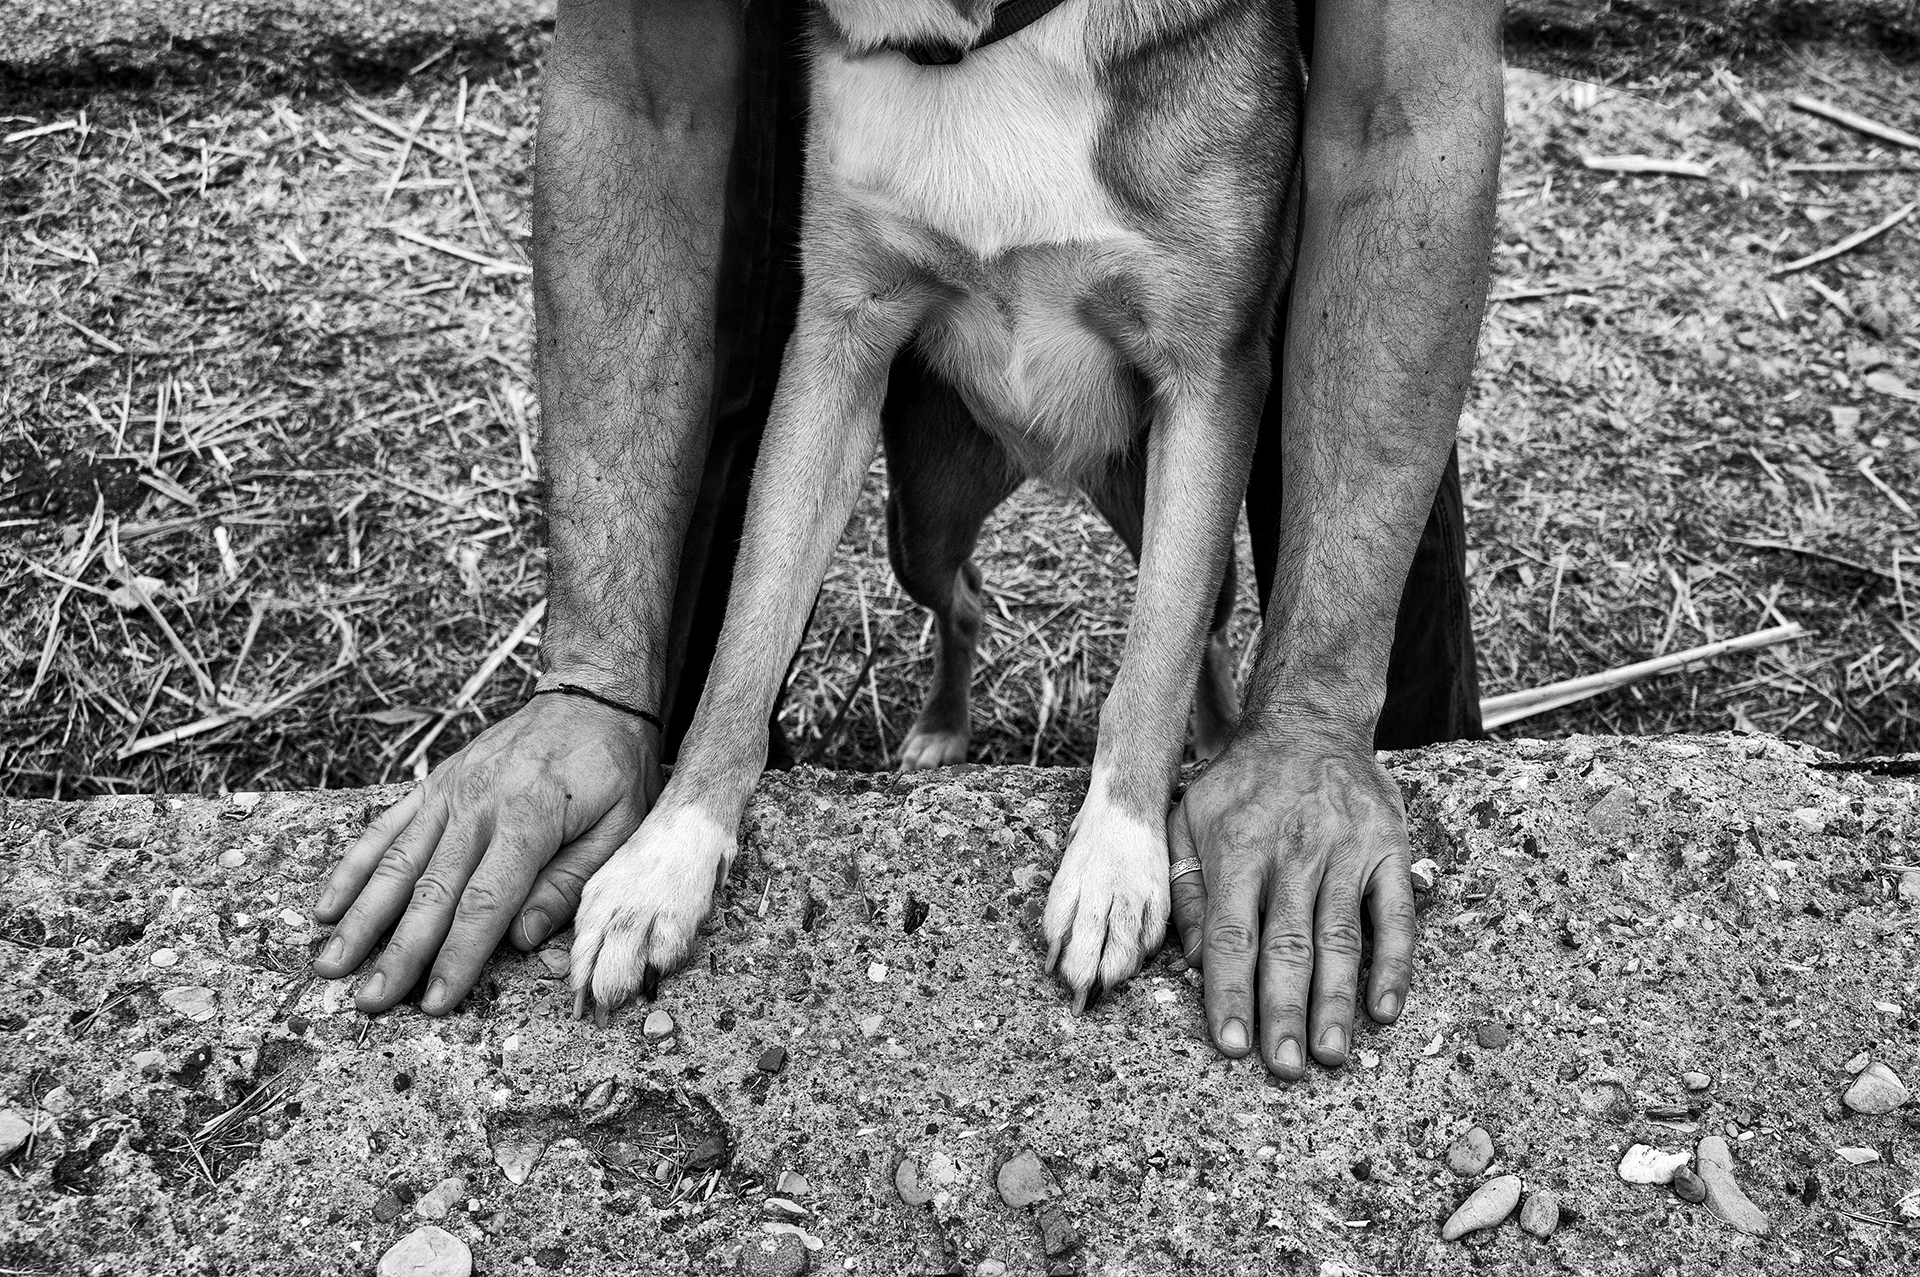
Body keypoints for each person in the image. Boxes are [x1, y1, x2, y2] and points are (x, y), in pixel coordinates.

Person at [312, 0, 1504, 1083]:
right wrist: (618, 701)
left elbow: (1407, 112)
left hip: (1207, 89)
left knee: (1341, 724)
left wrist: (1297, 726)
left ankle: (1293, 762)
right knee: (678, 613)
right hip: (903, 75)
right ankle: (678, 771)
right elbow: (641, 80)